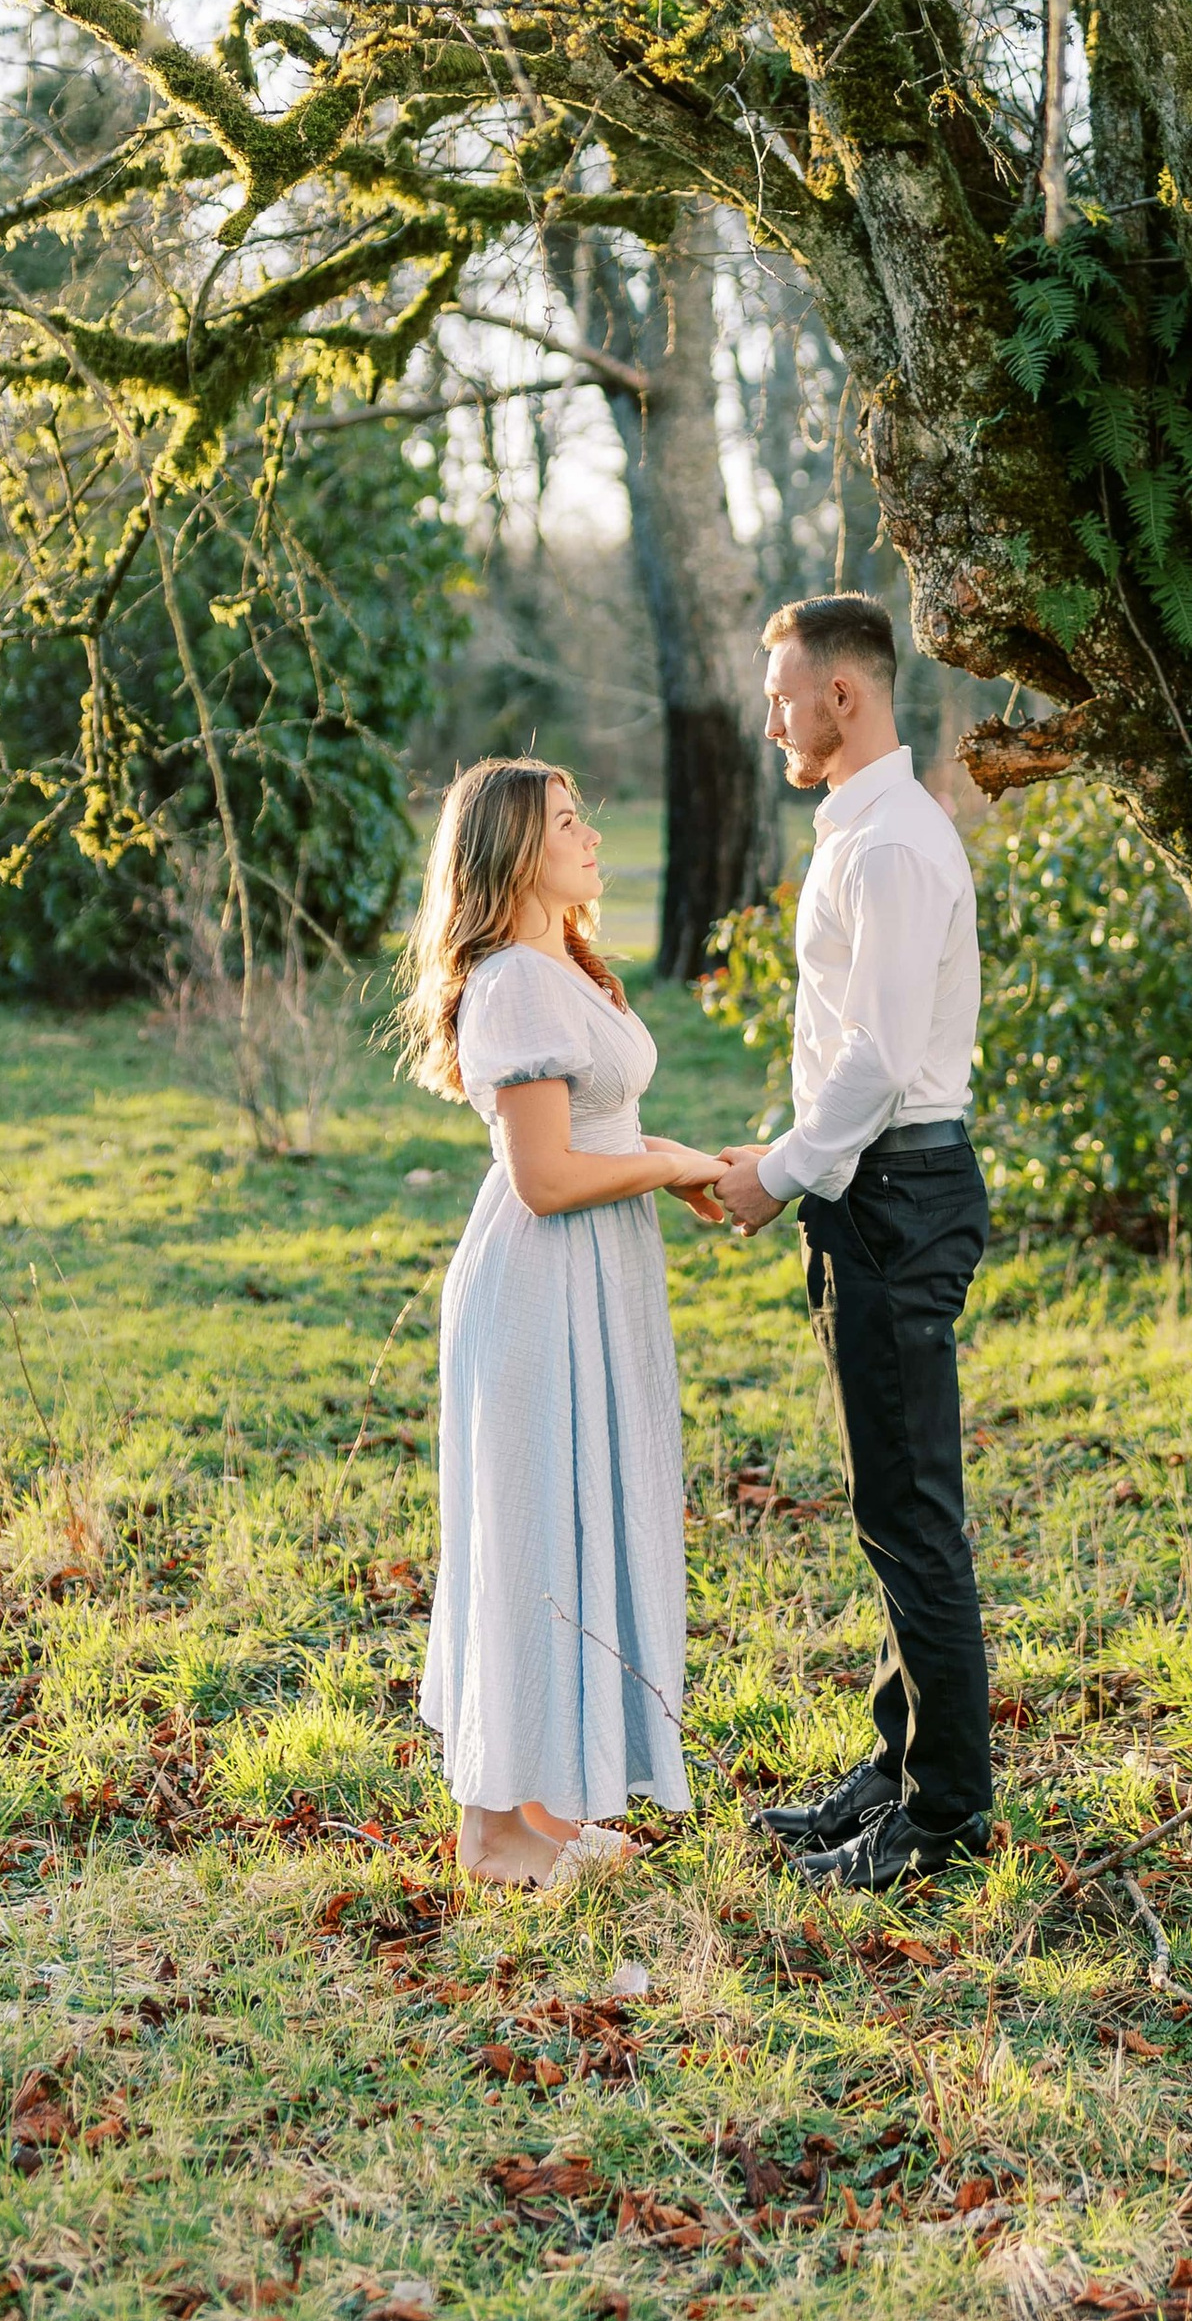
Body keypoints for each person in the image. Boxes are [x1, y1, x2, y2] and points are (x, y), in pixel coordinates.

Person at [399, 758, 727, 1892]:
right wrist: (671, 1162)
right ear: (509, 853)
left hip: (596, 1273)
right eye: (566, 822)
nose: (591, 836)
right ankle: (489, 1832)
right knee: (530, 1529)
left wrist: (676, 1163)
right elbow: (542, 1176)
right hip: (540, 1283)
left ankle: (537, 1803)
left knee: (574, 1518)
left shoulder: (567, 967)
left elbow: (602, 1127)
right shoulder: (514, 985)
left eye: (588, 812)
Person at [713, 596, 991, 1892]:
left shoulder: (888, 847)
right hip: (874, 1189)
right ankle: (900, 1766)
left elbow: (876, 1063)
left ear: (844, 695)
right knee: (892, 1511)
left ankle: (942, 1818)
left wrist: (775, 1175)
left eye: (783, 693)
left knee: (912, 1512)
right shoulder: (863, 832)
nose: (770, 714)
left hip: (895, 1194)